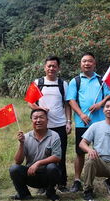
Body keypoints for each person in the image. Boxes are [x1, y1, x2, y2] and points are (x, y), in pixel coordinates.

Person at [66, 52, 110, 193]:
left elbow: (109, 94)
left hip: (101, 122)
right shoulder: (75, 81)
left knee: (103, 151)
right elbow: (71, 100)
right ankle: (77, 181)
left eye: (90, 61)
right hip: (82, 123)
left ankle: (108, 178)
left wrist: (100, 104)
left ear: (94, 63)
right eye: (84, 61)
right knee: (80, 152)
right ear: (81, 64)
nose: (87, 63)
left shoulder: (102, 80)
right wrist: (81, 114)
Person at [28, 56, 71, 192]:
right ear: (44, 67)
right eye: (49, 66)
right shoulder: (37, 82)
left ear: (58, 68)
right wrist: (39, 110)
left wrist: (69, 122)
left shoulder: (63, 84)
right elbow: (30, 102)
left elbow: (67, 104)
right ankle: (43, 184)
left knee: (60, 155)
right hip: (42, 125)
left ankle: (62, 182)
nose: (51, 68)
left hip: (60, 125)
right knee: (41, 155)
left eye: (54, 66)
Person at [9, 109, 62, 201]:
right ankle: (24, 194)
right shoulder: (26, 137)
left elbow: (57, 157)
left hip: (47, 174)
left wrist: (38, 163)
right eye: (35, 118)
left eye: (41, 117)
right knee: (14, 169)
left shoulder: (54, 135)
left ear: (47, 120)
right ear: (32, 120)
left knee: (52, 167)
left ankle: (51, 192)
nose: (38, 120)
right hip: (31, 174)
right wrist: (21, 144)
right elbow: (18, 161)